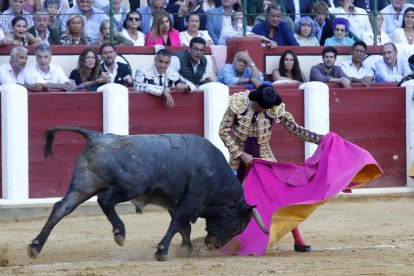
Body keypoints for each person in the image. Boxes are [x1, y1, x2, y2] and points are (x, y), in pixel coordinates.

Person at [219, 84, 323, 253]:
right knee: (231, 197)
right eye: (261, 106)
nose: (264, 110)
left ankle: (298, 239)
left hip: (264, 156)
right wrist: (240, 153)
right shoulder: (239, 103)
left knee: (281, 196)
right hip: (238, 157)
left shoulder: (273, 107)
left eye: (268, 108)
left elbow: (295, 129)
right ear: (255, 100)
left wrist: (319, 139)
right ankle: (225, 238)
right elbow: (223, 132)